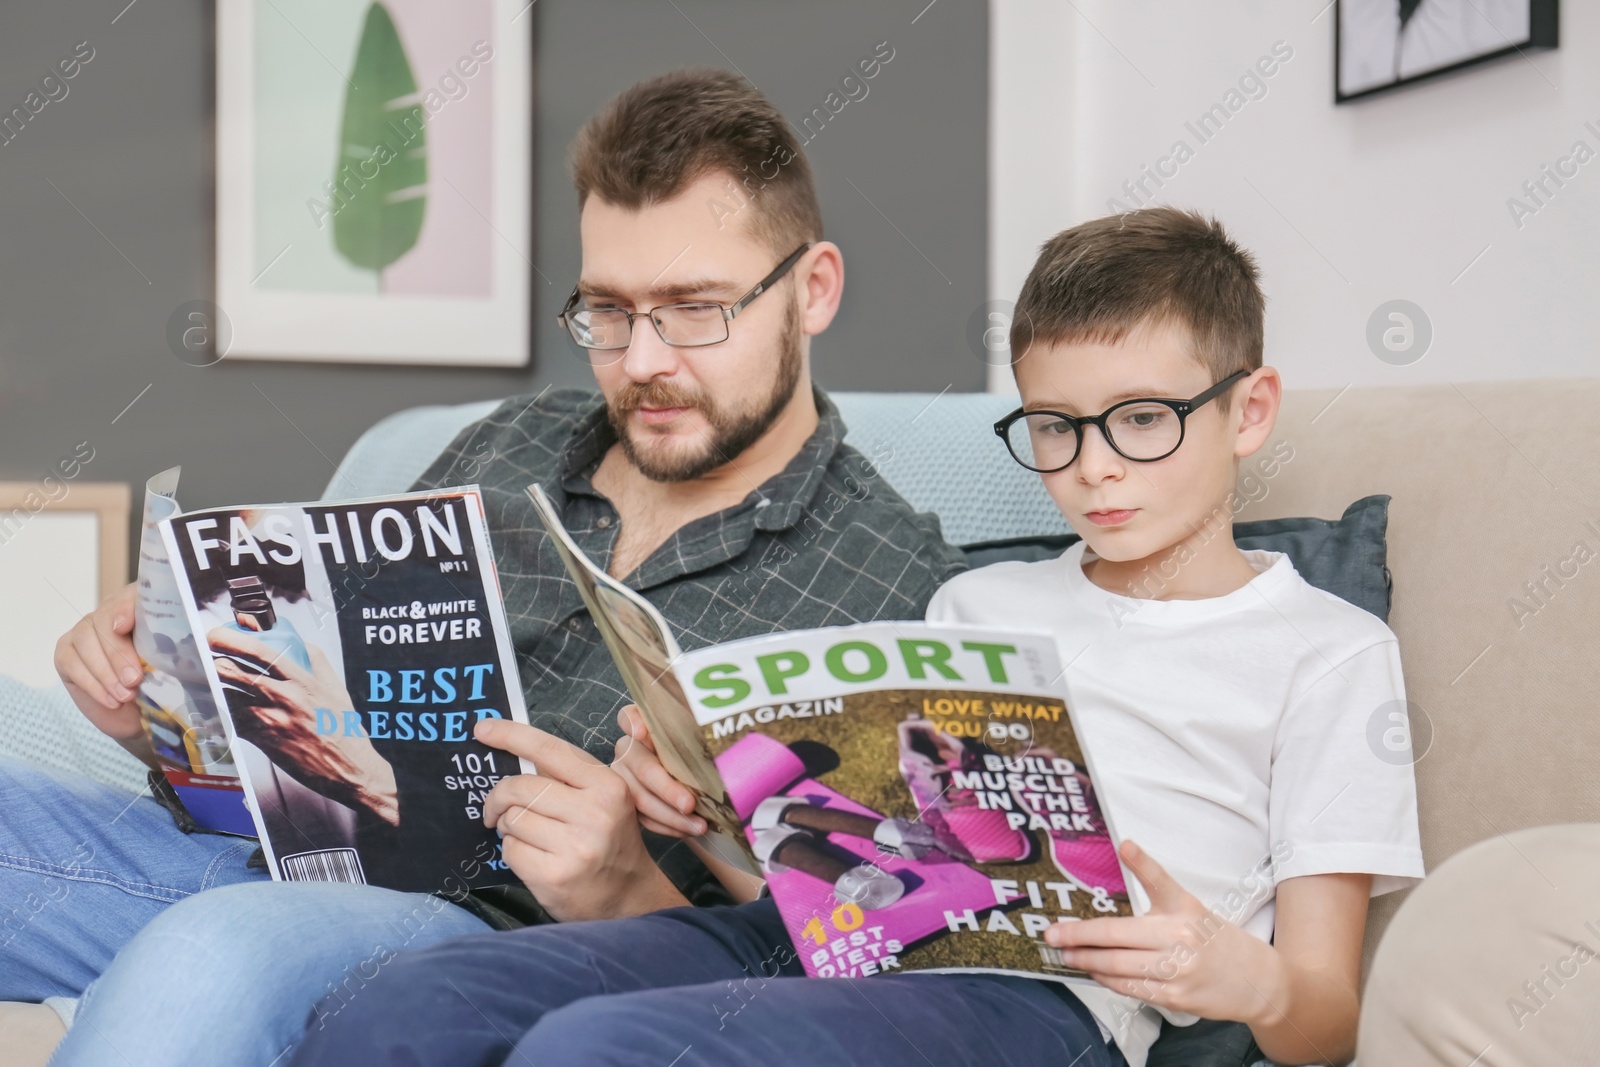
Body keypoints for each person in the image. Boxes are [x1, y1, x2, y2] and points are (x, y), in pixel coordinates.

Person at [280, 208, 1427, 1067]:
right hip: (836, 940)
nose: (1095, 467)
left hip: (1046, 1007)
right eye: (1054, 427)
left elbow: (1325, 1015)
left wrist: (1243, 978)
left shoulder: (1325, 651)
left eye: (1141, 420)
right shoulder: (983, 608)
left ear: (1250, 409)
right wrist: (721, 813)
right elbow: (841, 880)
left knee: (596, 1049)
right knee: (393, 1005)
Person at [1, 68, 966, 1067]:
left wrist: (627, 890)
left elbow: (845, 981)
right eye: (607, 309)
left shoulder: (896, 583)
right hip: (274, 863)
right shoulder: (510, 441)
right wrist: (173, 706)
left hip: (475, 941)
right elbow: (326, 731)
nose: (641, 360)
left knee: (209, 952)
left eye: (692, 309)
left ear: (811, 290)